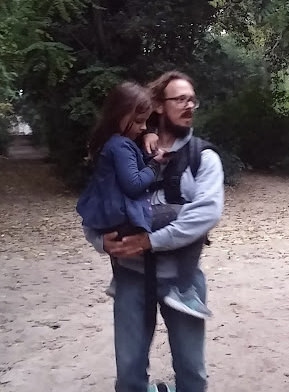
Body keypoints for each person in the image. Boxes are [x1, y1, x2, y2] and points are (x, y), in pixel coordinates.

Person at [82, 71, 224, 392]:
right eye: (179, 99)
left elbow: (205, 214)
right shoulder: (123, 150)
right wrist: (100, 241)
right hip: (129, 280)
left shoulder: (203, 157)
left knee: (193, 369)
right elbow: (98, 204)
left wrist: (149, 241)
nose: (189, 105)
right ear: (158, 106)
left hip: (182, 280)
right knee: (128, 369)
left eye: (193, 99)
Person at [76, 81, 212, 319]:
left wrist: (149, 131)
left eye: (145, 122)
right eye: (138, 122)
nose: (141, 128)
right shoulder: (121, 145)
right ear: (120, 115)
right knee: (187, 216)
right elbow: (134, 185)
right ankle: (183, 290)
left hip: (111, 217)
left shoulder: (112, 142)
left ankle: (120, 280)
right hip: (123, 217)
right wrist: (154, 164)